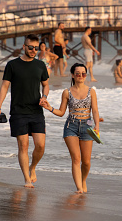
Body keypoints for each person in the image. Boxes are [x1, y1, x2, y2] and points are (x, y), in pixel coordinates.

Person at [0, 34, 49, 188]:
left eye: (36, 48)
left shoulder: (40, 65)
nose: (33, 50)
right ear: (24, 47)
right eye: (30, 47)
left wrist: (44, 96)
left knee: (40, 146)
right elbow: (4, 86)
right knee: (23, 146)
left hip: (37, 111)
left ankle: (32, 167)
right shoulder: (12, 65)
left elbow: (46, 84)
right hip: (18, 111)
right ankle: (26, 178)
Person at [40, 63, 100, 194]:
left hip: (87, 126)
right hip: (70, 126)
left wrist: (97, 126)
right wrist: (49, 108)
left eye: (83, 73)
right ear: (73, 75)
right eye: (77, 73)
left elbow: (95, 110)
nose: (81, 76)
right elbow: (62, 112)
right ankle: (79, 188)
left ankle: (83, 180)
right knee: (76, 158)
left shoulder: (92, 91)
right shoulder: (66, 92)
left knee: (86, 162)